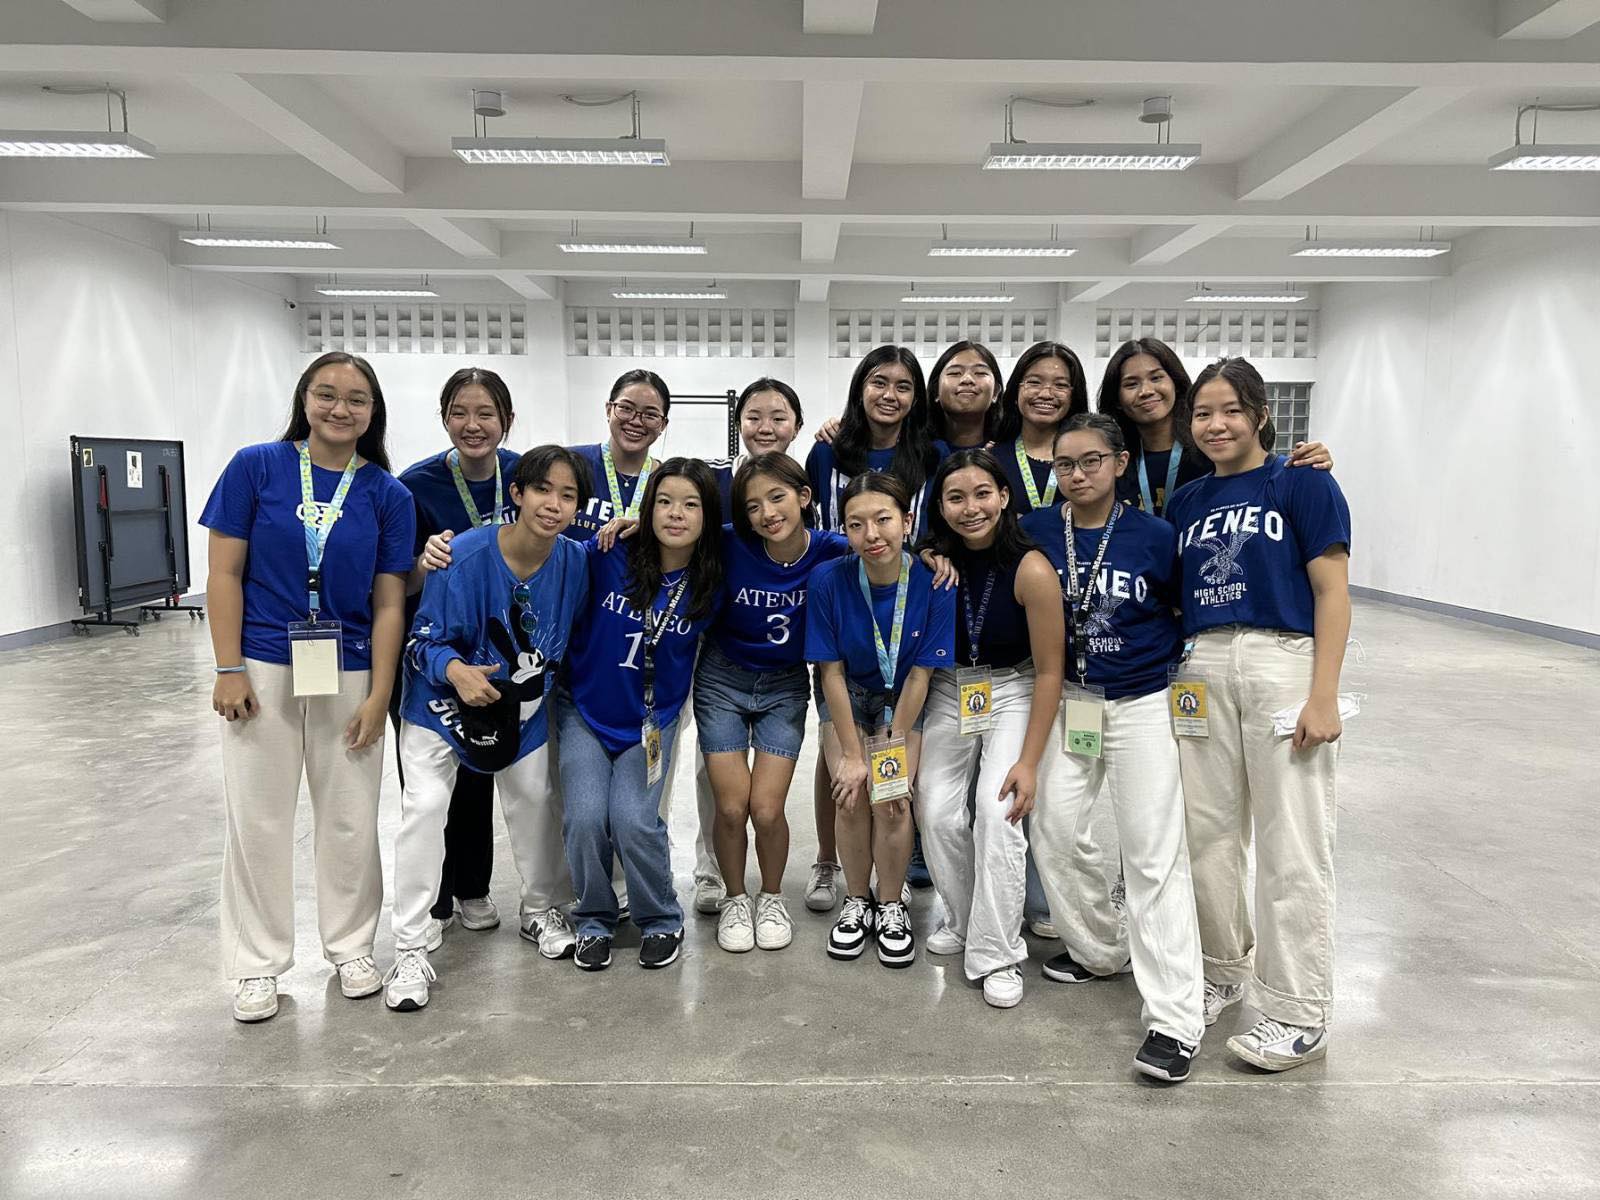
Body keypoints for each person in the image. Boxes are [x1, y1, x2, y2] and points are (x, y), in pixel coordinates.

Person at [201, 351, 415, 1023]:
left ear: (372, 412)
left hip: (349, 666)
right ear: (305, 399)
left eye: (356, 399)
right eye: (327, 395)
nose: (340, 409)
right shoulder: (255, 467)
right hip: (262, 661)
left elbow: (389, 605)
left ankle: (352, 946)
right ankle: (257, 965)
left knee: (350, 814)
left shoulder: (387, 494)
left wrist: (381, 695)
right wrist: (228, 665)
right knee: (258, 816)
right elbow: (224, 574)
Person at [1164, 357, 1352, 1072]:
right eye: (1202, 414)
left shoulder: (1303, 482)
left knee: (1292, 842)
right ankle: (1222, 970)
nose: (1215, 425)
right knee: (1206, 835)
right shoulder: (1185, 503)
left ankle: (1299, 1011)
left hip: (1281, 659)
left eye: (1229, 410)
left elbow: (1332, 592)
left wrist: (1324, 693)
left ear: (1260, 414)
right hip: (1201, 664)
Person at [1021, 414, 1206, 1082]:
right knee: (1055, 830)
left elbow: (1184, 615)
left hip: (1143, 703)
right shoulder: (1037, 530)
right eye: (1065, 465)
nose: (1077, 475)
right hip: (1073, 702)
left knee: (1153, 855)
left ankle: (1176, 1021)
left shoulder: (1156, 537)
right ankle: (1101, 951)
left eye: (1091, 461)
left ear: (1120, 463)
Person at [385, 447, 592, 1011]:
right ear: (517, 495)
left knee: (534, 797)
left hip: (519, 712)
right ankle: (411, 943)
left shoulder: (575, 562)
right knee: (425, 806)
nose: (554, 504)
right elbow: (421, 641)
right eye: (542, 490)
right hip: (441, 705)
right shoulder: (462, 556)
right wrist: (455, 670)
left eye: (568, 495)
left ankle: (538, 909)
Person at [556, 458, 725, 972]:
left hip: (652, 718)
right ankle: (593, 917)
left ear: (708, 515)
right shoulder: (609, 552)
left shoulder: (713, 577)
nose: (676, 515)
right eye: (665, 502)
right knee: (585, 818)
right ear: (646, 508)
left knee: (633, 819)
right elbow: (548, 558)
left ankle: (659, 917)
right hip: (585, 708)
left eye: (691, 505)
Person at [916, 449, 1064, 1009]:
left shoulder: (1031, 567)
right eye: (955, 497)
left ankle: (998, 951)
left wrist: (1028, 761)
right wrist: (927, 551)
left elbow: (1050, 671)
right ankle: (963, 915)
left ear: (1005, 497)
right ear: (940, 506)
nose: (970, 508)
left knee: (999, 812)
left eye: (983, 494)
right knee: (934, 808)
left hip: (1014, 688)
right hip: (951, 688)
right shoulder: (931, 561)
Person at [696, 453, 852, 953]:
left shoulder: (832, 550)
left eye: (777, 497)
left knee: (765, 809)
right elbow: (671, 530)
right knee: (730, 806)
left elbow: (887, 547)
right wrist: (631, 523)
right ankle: (736, 898)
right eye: (754, 505)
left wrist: (932, 555)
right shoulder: (728, 541)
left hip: (784, 686)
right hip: (722, 680)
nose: (767, 513)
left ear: (805, 497)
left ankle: (770, 896)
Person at [804, 472, 955, 967]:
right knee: (849, 794)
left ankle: (890, 904)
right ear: (843, 528)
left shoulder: (935, 582)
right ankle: (856, 900)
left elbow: (920, 676)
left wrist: (889, 749)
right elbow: (829, 671)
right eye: (856, 524)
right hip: (846, 694)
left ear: (907, 521)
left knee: (890, 799)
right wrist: (851, 755)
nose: (872, 535)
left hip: (904, 700)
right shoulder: (829, 579)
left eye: (884, 520)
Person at [392, 367, 520, 941]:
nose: (473, 425)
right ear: (444, 418)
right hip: (436, 651)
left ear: (507, 420)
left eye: (485, 413)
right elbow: (398, 583)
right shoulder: (415, 486)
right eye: (460, 414)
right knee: (435, 782)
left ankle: (473, 887)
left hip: (511, 648)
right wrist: (426, 559)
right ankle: (434, 899)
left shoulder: (525, 475)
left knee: (487, 769)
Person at [1096, 338, 1333, 519]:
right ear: (1116, 397)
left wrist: (1310, 461)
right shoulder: (1111, 462)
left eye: (1156, 378)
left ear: (1176, 384)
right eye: (1131, 384)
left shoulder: (1212, 450)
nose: (1146, 390)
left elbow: (1258, 470)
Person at [805, 345, 940, 534]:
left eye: (903, 387)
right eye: (879, 383)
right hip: (841, 563)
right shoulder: (827, 450)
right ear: (860, 390)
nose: (889, 395)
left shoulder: (933, 454)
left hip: (909, 563)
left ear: (915, 399)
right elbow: (802, 514)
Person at [568, 369, 671, 540]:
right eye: (626, 408)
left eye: (651, 415)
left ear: (663, 425)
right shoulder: (570, 463)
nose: (636, 421)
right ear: (609, 410)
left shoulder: (667, 482)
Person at [994, 340, 1090, 516]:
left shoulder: (1090, 462)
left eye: (1060, 385)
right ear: (1016, 391)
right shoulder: (993, 460)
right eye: (1034, 382)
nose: (1046, 394)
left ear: (1074, 396)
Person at [709, 378, 804, 515]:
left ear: (797, 428)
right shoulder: (711, 476)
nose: (765, 429)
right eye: (754, 418)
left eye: (778, 419)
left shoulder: (800, 484)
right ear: (738, 426)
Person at [928, 340, 1003, 452]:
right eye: (955, 373)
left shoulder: (1008, 454)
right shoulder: (914, 453)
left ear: (995, 392)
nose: (967, 379)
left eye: (980, 373)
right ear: (935, 391)